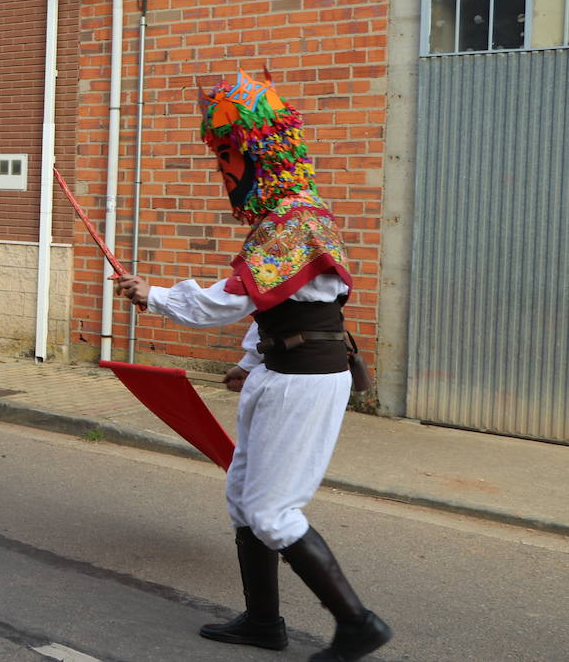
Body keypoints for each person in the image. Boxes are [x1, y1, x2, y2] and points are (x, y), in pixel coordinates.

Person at [114, 71, 390, 662]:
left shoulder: (296, 219)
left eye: (228, 158)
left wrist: (153, 295)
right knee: (243, 497)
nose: (225, 173)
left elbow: (237, 296)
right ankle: (264, 622)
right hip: (281, 372)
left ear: (261, 154)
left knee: (271, 509)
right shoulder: (288, 219)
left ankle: (358, 623)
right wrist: (248, 359)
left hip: (304, 382)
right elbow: (277, 305)